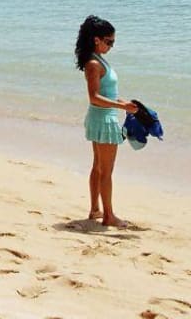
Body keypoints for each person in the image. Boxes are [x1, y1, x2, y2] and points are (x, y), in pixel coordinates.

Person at [76, 15, 138, 227]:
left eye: (113, 42)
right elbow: (93, 96)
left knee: (98, 167)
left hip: (100, 116)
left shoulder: (98, 59)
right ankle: (109, 216)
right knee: (106, 171)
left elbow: (105, 93)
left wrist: (124, 102)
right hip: (104, 120)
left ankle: (95, 209)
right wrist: (121, 107)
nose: (111, 46)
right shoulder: (93, 63)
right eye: (109, 42)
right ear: (96, 40)